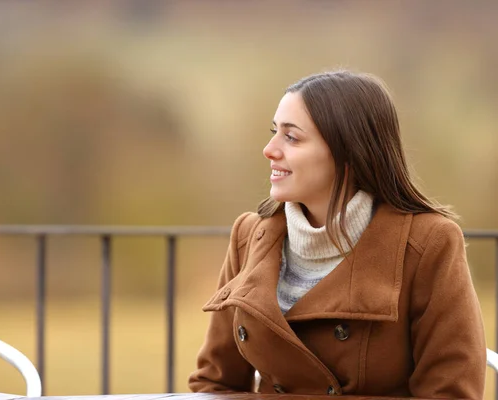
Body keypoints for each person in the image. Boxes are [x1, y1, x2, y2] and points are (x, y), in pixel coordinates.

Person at [188, 70, 486, 398]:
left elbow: (451, 392)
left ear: (347, 153)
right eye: (275, 132)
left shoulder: (429, 243)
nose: (269, 149)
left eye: (292, 137)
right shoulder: (249, 237)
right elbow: (214, 387)